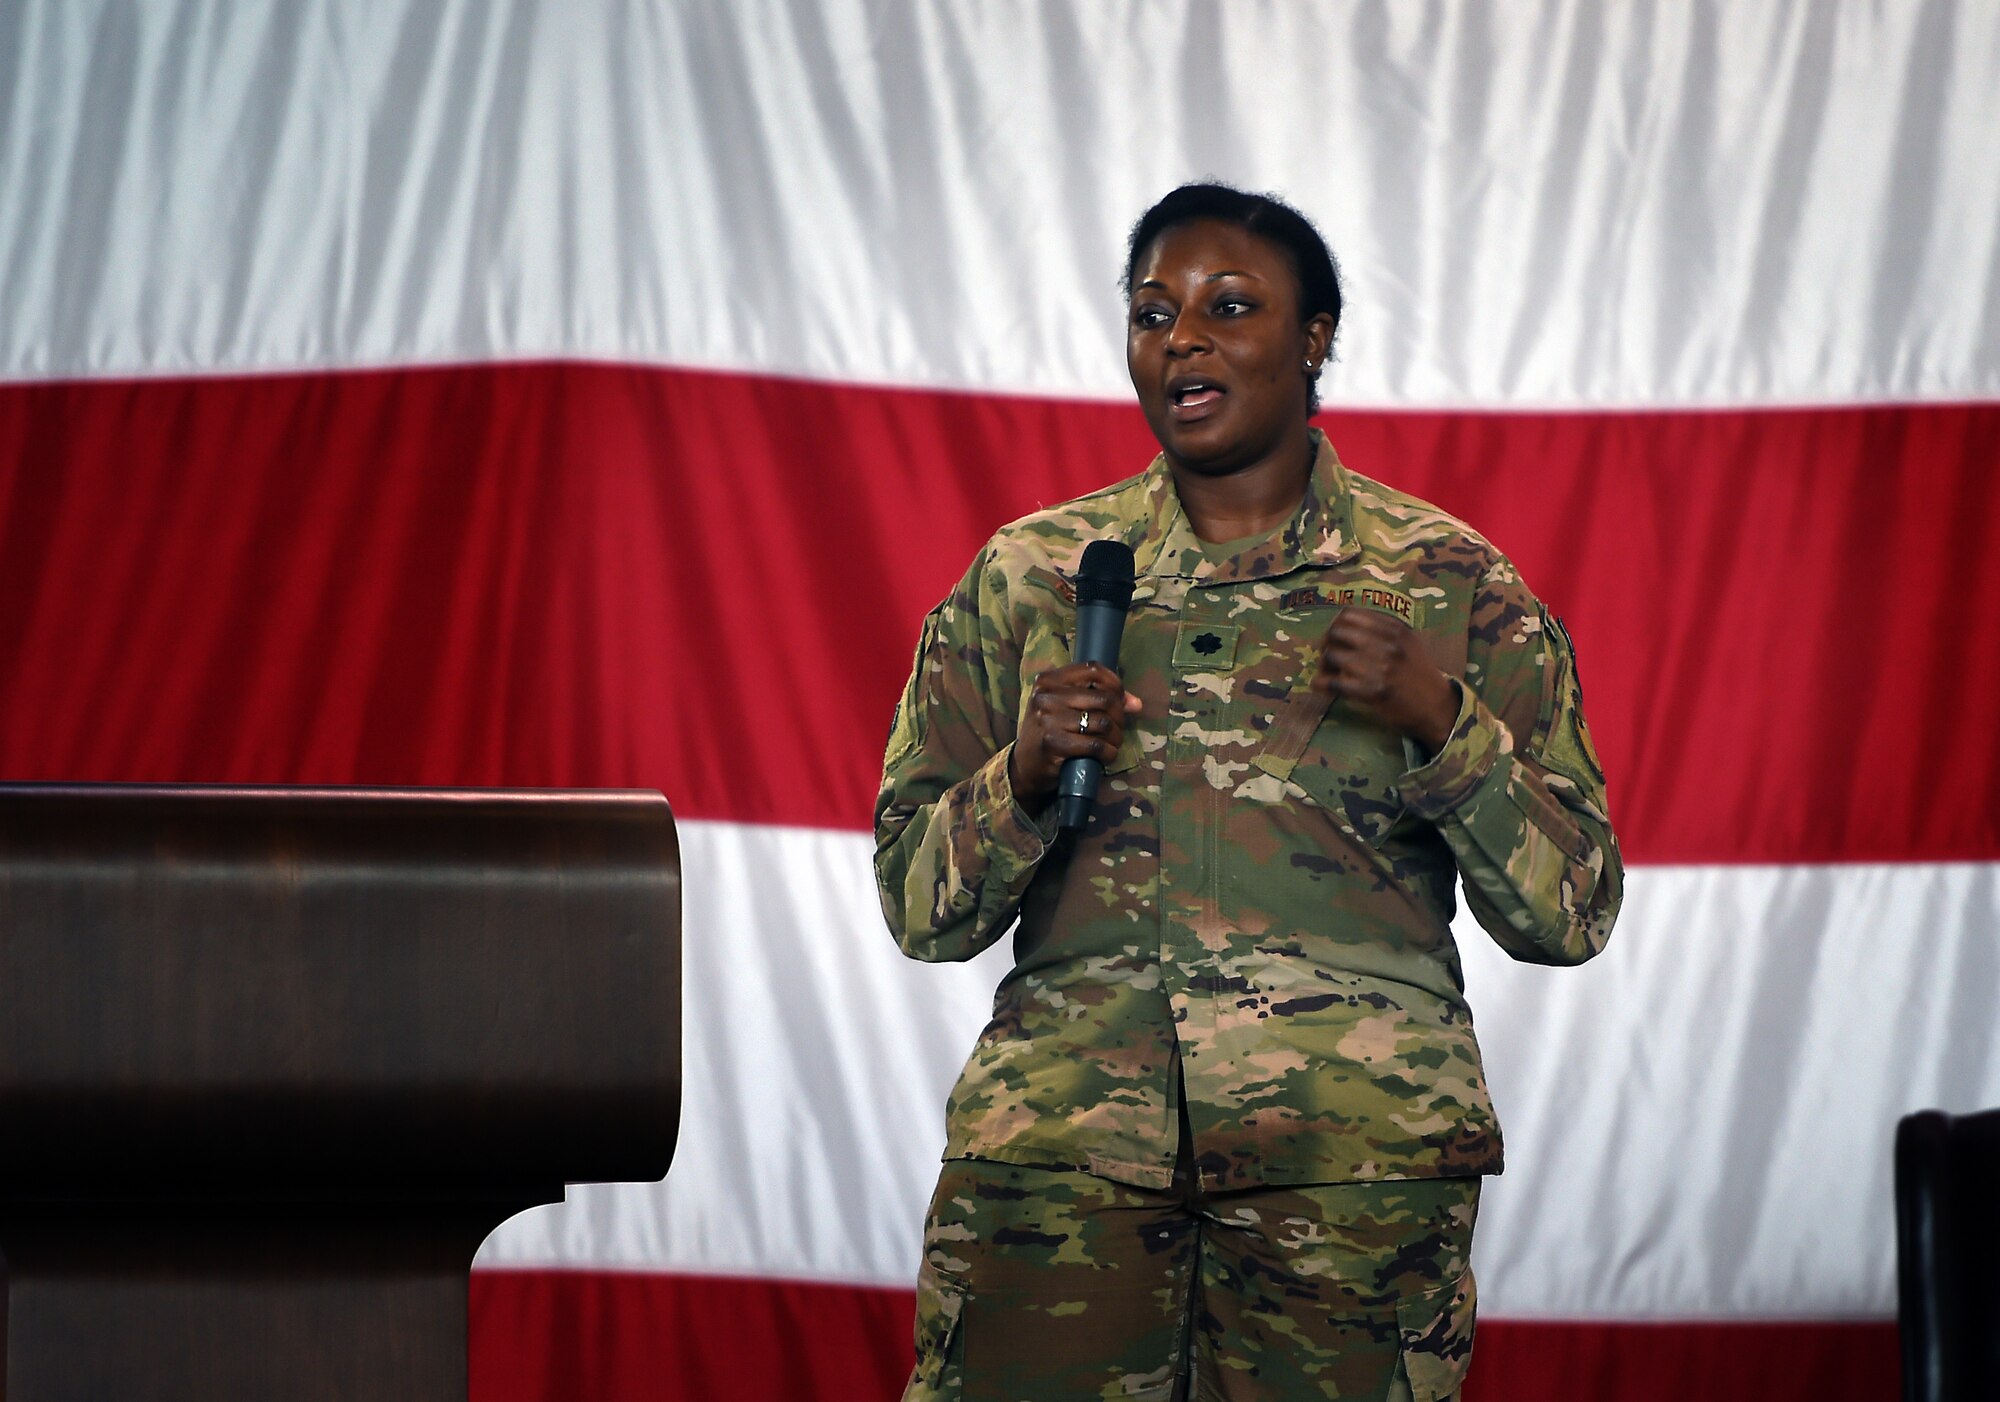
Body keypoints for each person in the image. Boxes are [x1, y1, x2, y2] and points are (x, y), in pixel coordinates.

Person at [874, 182, 1622, 1401]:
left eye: (1229, 307)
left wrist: (1442, 720)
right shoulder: (1031, 578)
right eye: (1151, 312)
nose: (1182, 340)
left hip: (1348, 1182)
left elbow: (1570, 911)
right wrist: (1015, 771)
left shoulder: (1451, 585)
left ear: (1314, 335)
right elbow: (917, 906)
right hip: (1062, 1174)